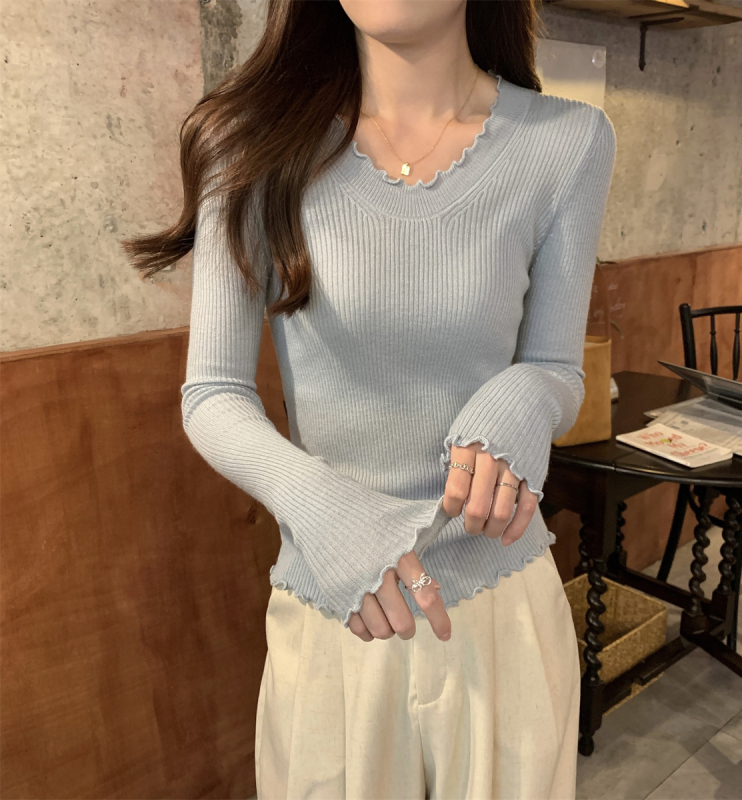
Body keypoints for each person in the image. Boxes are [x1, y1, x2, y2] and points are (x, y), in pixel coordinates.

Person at [123, 0, 616, 797]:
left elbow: (559, 368)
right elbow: (213, 392)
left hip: (501, 613)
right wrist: (318, 507)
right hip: (334, 610)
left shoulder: (568, 142)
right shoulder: (247, 144)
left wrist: (526, 393)